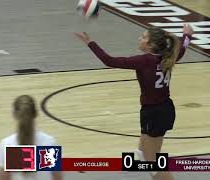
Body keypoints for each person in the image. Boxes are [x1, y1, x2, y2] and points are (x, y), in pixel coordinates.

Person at [75, 24, 194, 180]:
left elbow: (110, 61)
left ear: (150, 45)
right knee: (143, 155)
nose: (140, 38)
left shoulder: (145, 60)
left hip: (155, 113)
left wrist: (90, 43)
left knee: (151, 162)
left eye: (144, 37)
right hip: (160, 110)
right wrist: (187, 36)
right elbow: (183, 49)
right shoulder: (168, 56)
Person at [0, 95, 62, 180]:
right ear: (36, 113)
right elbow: (57, 178)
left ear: (14, 114)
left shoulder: (6, 145)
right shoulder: (49, 142)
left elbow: (4, 178)